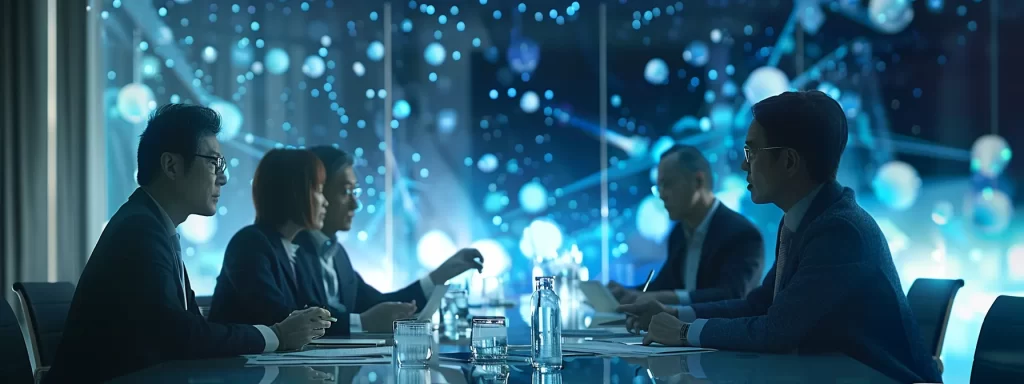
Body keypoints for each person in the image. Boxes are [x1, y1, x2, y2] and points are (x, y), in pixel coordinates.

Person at [618, 91, 941, 383]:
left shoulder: (841, 231)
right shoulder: (806, 219)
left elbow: (776, 331)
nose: (744, 164)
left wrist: (685, 332)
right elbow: (759, 304)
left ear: (788, 161)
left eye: (752, 151)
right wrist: (675, 314)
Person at [44, 105, 330, 384]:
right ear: (171, 165)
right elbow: (181, 336)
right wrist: (276, 335)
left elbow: (193, 329)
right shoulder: (139, 231)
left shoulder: (155, 227)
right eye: (213, 162)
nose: (223, 178)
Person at [292, 145, 484, 333]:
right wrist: (362, 323)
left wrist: (441, 274)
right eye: (345, 192)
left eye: (355, 192)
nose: (355, 204)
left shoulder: (336, 254)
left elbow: (379, 305)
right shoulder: (291, 252)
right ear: (315, 193)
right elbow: (299, 321)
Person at [608, 145, 764, 307]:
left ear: (698, 181)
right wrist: (626, 294)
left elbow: (732, 295)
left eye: (667, 184)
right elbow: (663, 286)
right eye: (658, 187)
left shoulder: (742, 235)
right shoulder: (679, 233)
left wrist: (666, 298)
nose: (661, 195)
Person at [208, 149, 345, 332]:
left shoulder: (298, 249)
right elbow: (278, 316)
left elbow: (315, 311)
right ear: (296, 193)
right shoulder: (249, 244)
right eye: (319, 190)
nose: (325, 202)